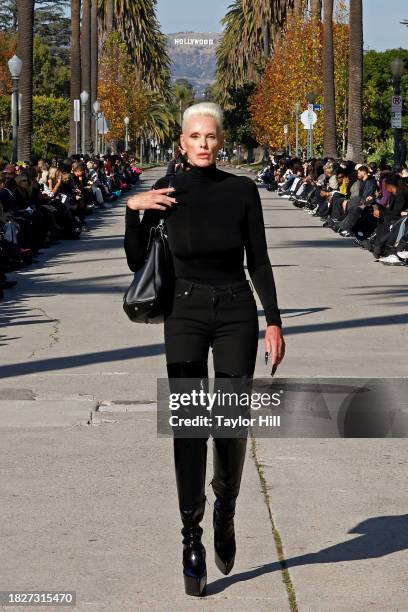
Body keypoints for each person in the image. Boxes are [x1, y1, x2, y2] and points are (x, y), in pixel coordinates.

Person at [124, 102, 285, 597]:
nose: (203, 144)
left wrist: (274, 321)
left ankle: (226, 509)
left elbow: (258, 259)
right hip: (185, 312)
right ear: (182, 142)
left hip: (236, 308)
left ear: (220, 140)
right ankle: (190, 538)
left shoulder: (241, 190)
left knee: (231, 423)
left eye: (210, 136)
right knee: (190, 426)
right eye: (194, 136)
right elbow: (137, 262)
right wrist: (135, 211)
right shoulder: (166, 195)